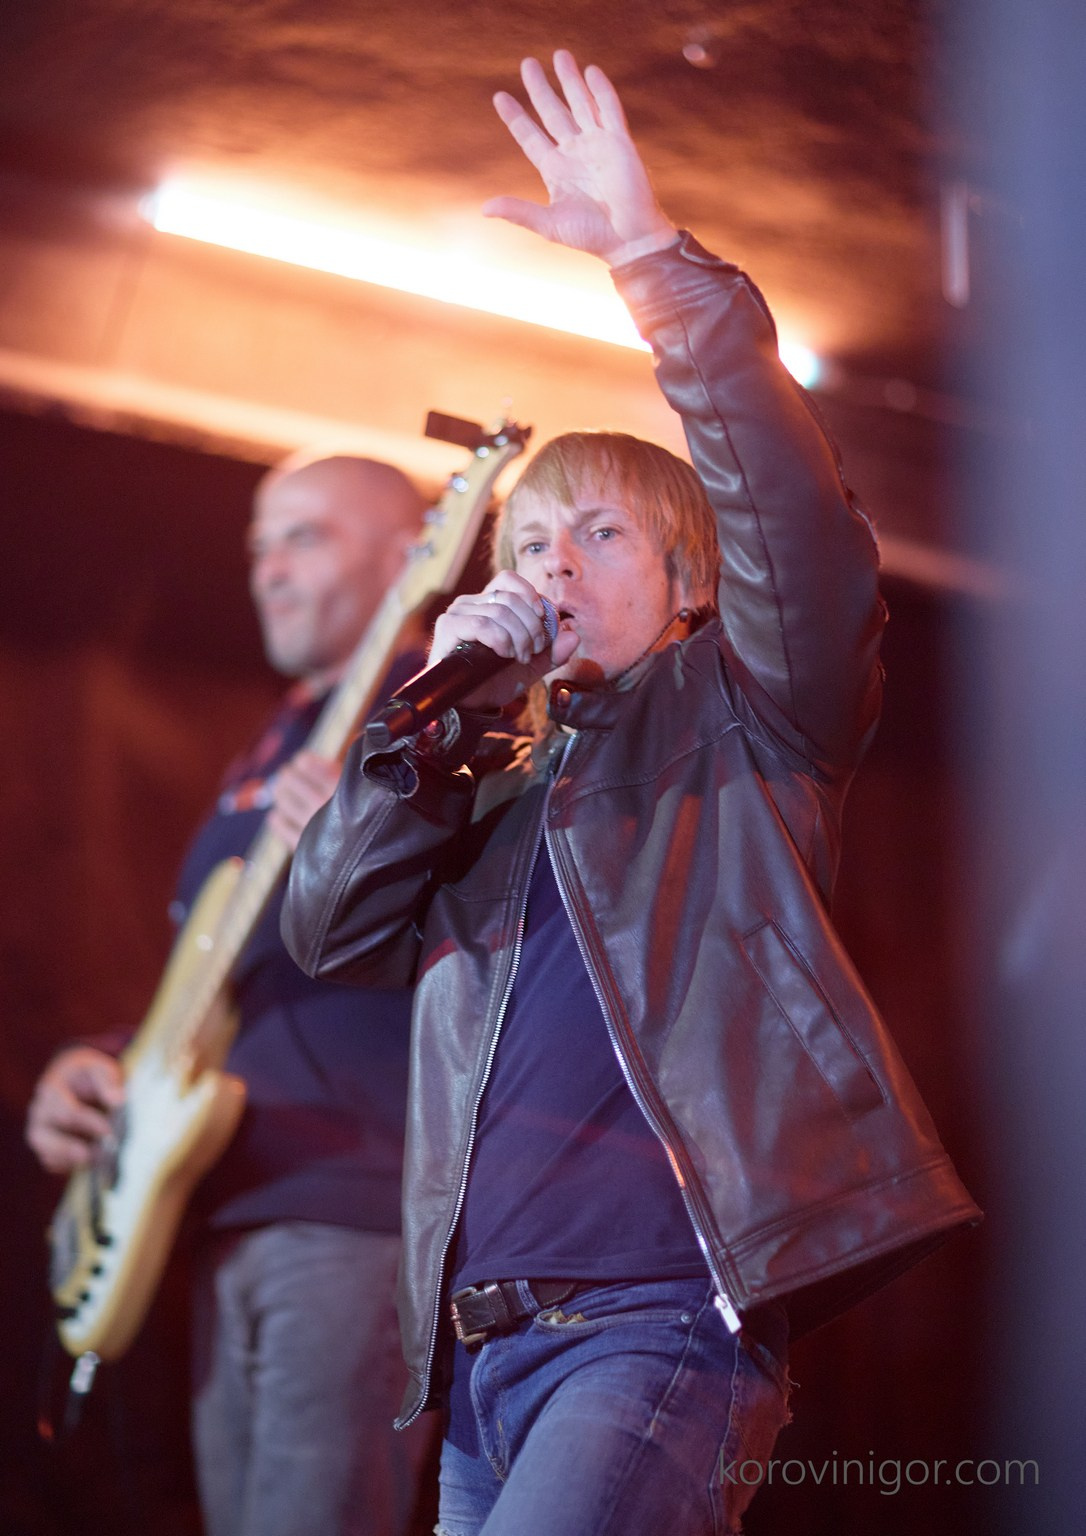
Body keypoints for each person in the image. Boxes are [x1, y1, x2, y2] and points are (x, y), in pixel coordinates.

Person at [281, 51, 981, 1536]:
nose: (553, 568)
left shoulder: (742, 712)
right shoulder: (479, 768)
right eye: (531, 546)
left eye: (598, 534)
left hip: (657, 1325)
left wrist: (660, 275)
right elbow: (326, 922)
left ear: (683, 582)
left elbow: (803, 535)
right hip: (477, 1366)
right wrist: (433, 721)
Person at [26, 454, 436, 1536]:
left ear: (412, 557)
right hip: (225, 1203)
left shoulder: (443, 707)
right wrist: (110, 1060)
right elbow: (224, 976)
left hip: (351, 1208)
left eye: (304, 536)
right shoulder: (274, 739)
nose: (267, 569)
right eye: (258, 544)